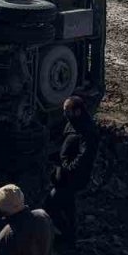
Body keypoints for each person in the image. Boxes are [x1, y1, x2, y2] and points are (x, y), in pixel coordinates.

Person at [44, 95, 97, 245]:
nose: (64, 114)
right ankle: (70, 236)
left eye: (67, 110)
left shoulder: (88, 130)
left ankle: (64, 235)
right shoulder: (72, 123)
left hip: (72, 178)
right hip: (63, 175)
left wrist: (68, 166)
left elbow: (85, 156)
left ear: (77, 111)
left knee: (51, 204)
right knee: (68, 206)